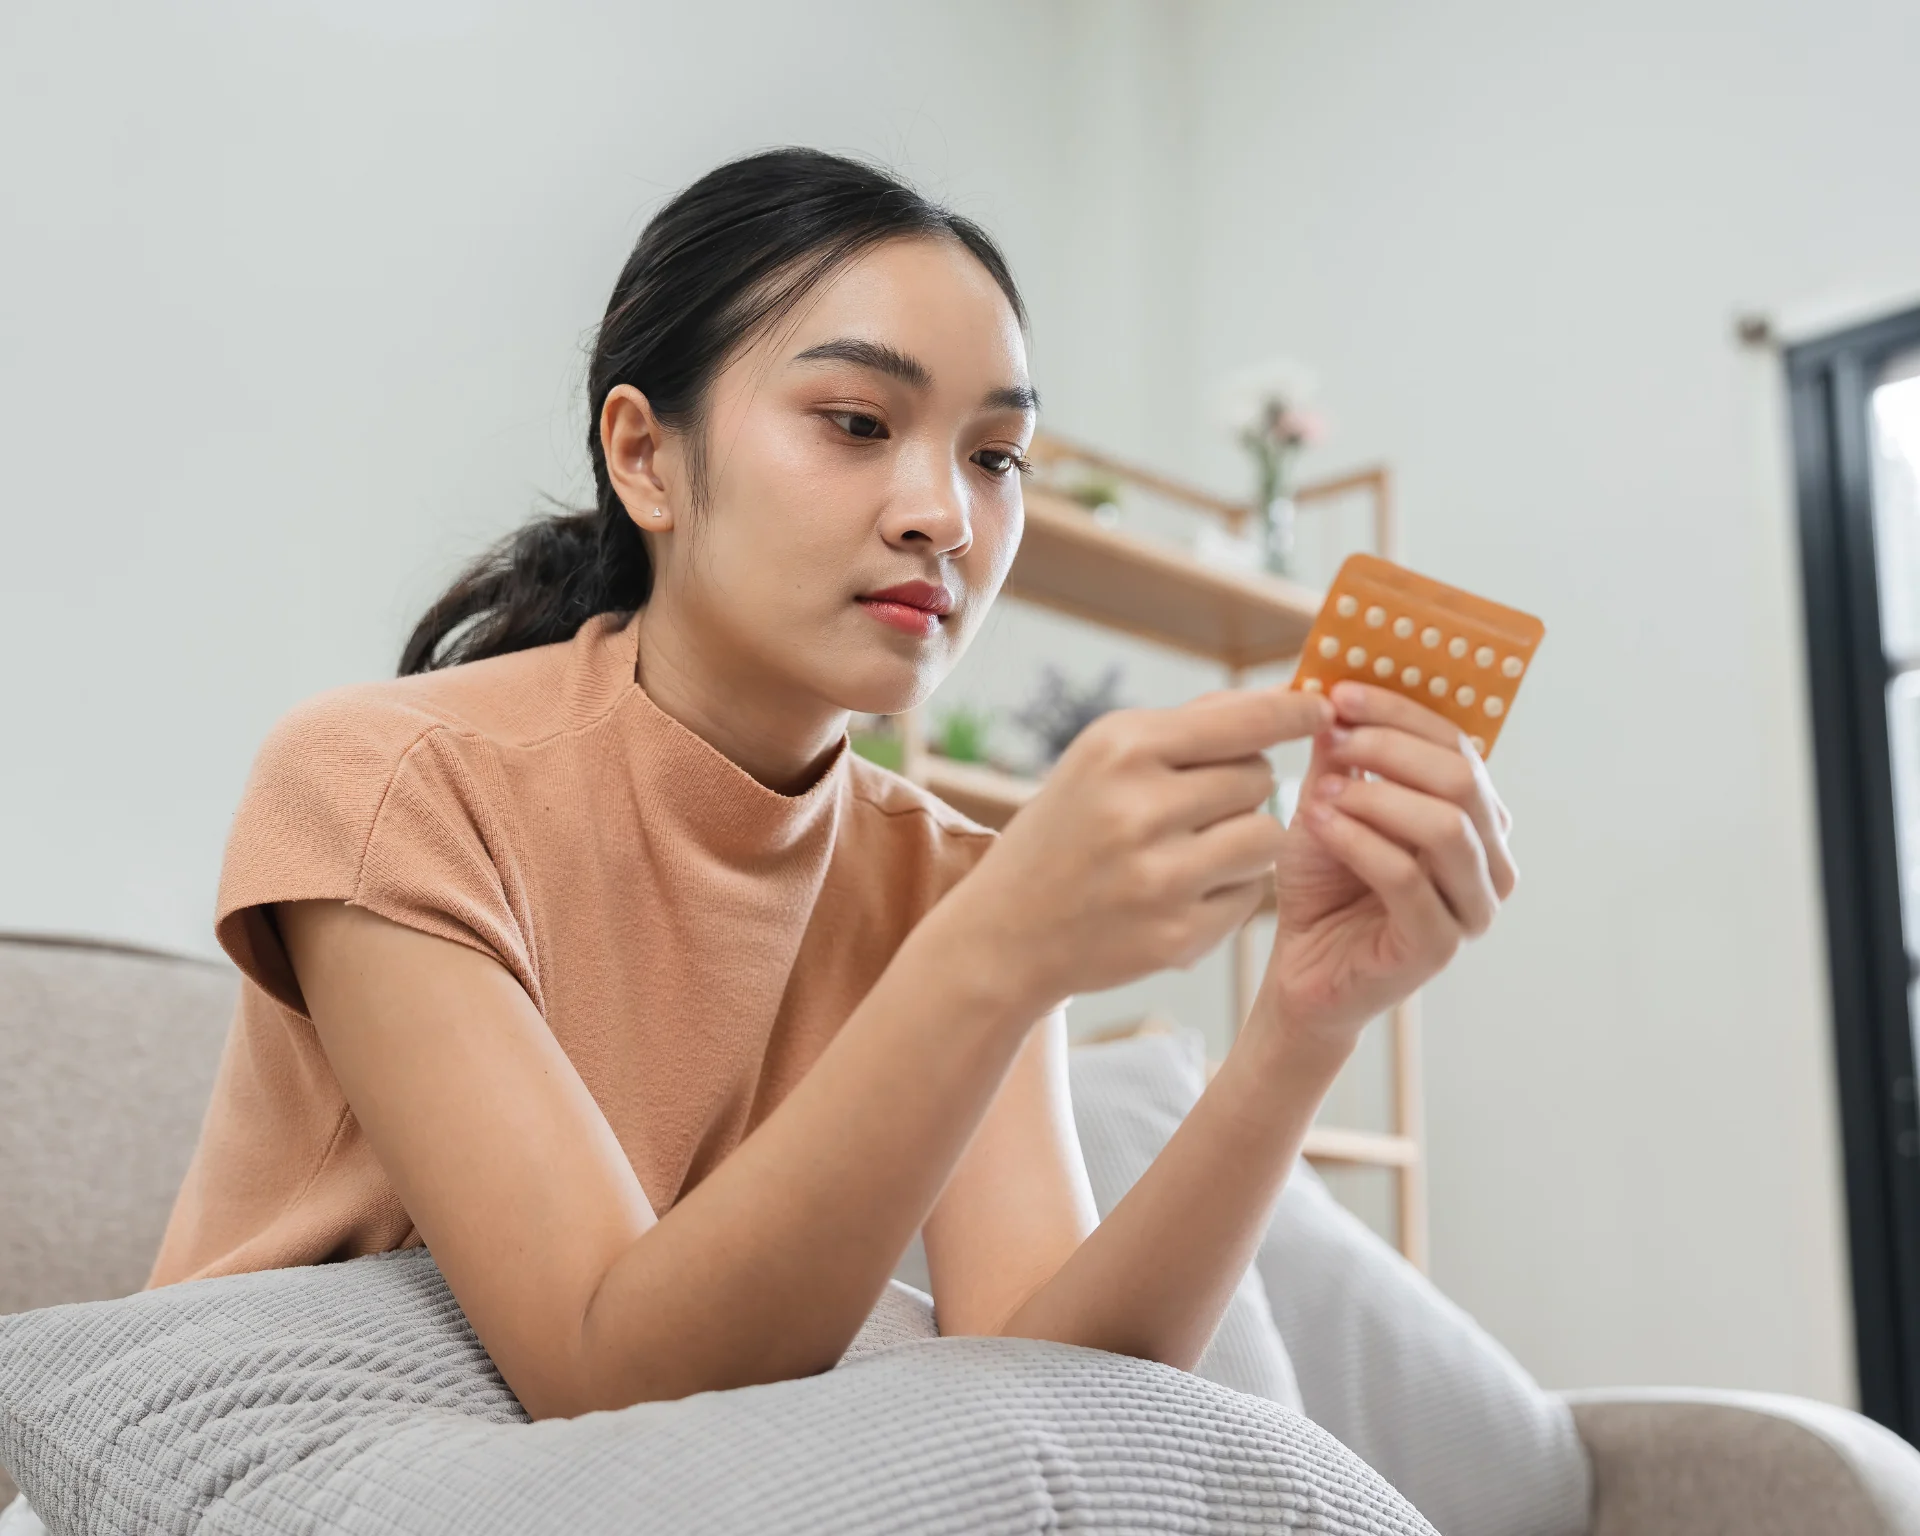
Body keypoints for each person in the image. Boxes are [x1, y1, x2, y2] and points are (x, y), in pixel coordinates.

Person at [147, 147, 1517, 1422]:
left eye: (995, 456)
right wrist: (996, 950)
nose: (946, 515)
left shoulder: (944, 876)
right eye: (858, 421)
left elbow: (1045, 1391)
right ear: (645, 457)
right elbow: (604, 1378)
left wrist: (1304, 1031)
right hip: (282, 1457)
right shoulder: (385, 779)